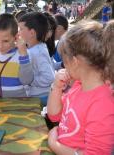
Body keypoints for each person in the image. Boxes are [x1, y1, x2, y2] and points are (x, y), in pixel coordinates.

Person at [47, 20, 114, 155]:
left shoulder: (103, 103)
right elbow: (54, 116)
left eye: (65, 62)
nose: (64, 67)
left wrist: (55, 145)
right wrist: (57, 88)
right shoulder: (79, 86)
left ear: (75, 62)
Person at [0, 13, 33, 98]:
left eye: (5, 41)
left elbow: (27, 80)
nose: (0, 46)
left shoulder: (23, 55)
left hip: (18, 103)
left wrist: (23, 55)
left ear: (16, 37)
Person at [18, 12, 55, 98]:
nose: (18, 32)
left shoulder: (37, 52)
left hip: (41, 97)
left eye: (21, 29)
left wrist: (29, 80)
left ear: (32, 33)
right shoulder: (37, 48)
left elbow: (49, 78)